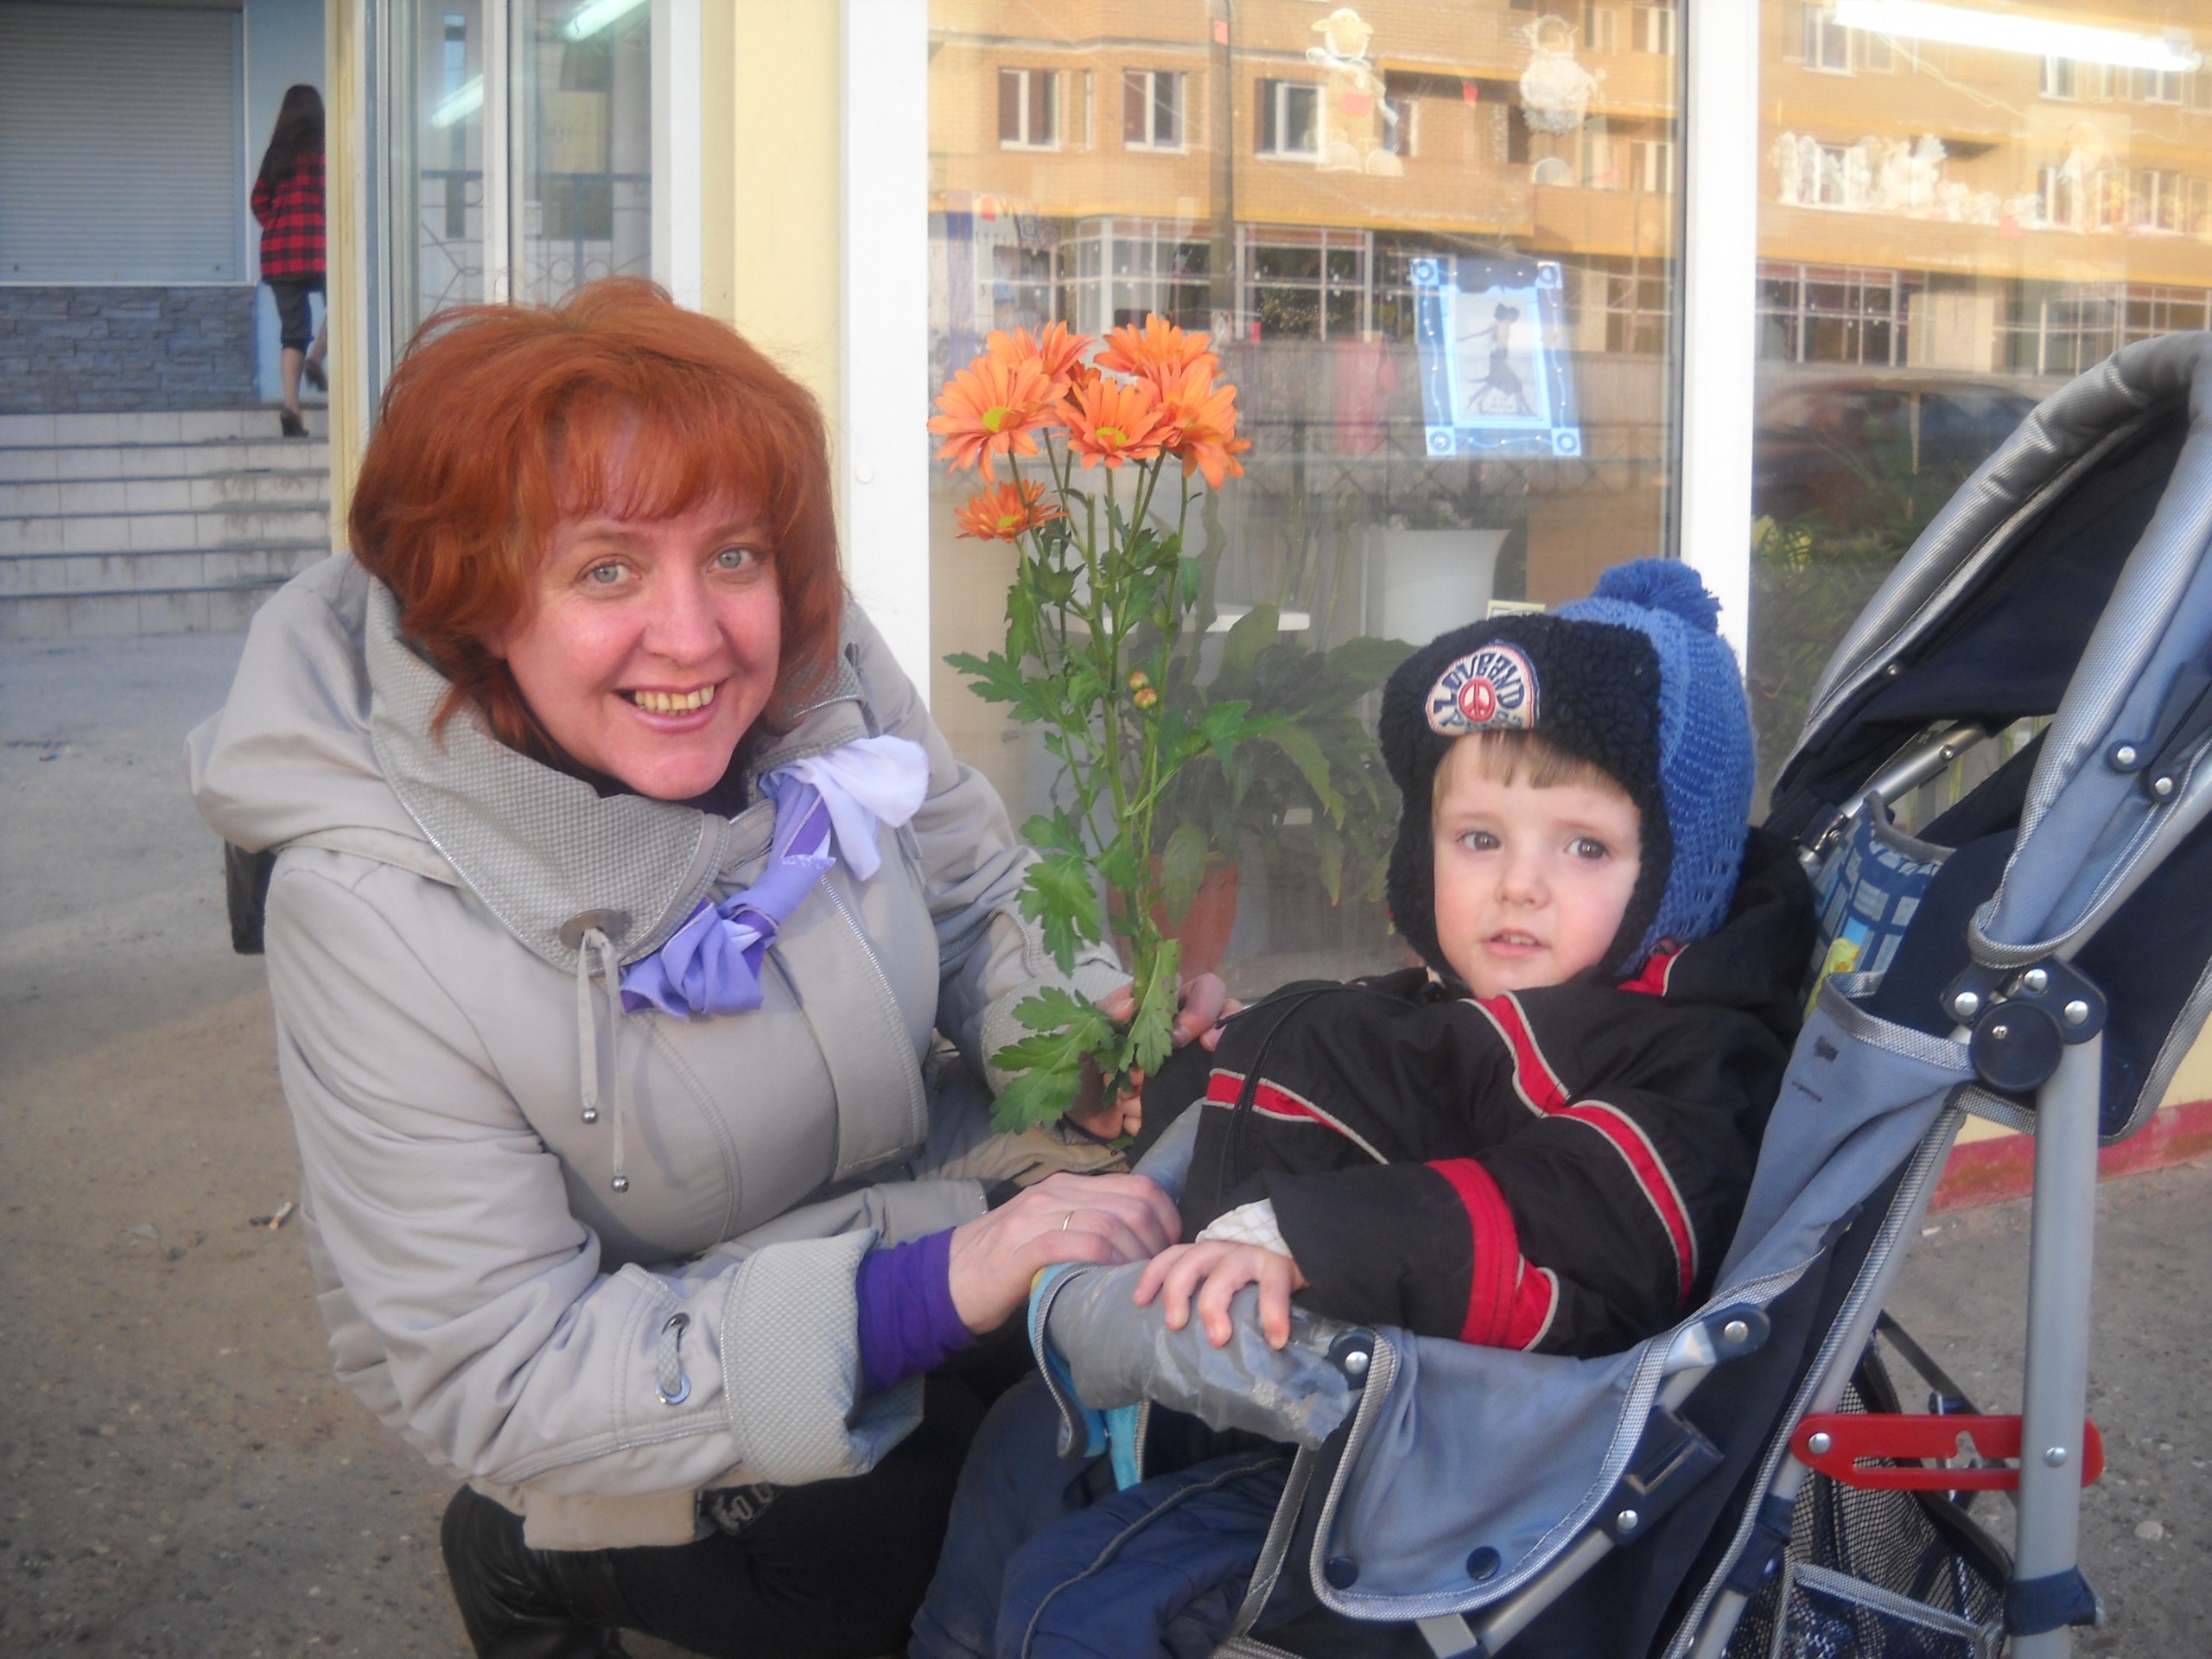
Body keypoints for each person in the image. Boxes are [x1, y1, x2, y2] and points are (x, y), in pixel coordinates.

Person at [188, 278, 1222, 1659]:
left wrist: (1085, 1035)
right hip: (615, 1383)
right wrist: (919, 1296)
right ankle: (522, 1563)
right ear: (476, 598)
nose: (694, 638)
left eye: (732, 555)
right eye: (607, 570)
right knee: (880, 1541)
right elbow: (503, 1366)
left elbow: (975, 894)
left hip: (901, 1220)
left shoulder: (816, 668)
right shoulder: (369, 910)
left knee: (1109, 1418)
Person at [911, 561, 1816, 1659]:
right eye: (1478, 839)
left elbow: (1587, 1218)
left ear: (1677, 874)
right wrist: (1226, 1063)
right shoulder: (1490, 1008)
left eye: (1584, 846)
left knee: (1081, 1601)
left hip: (1444, 1473)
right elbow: (1389, 1083)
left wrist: (1312, 1236)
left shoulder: (1681, 1059)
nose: (1518, 884)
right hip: (1315, 1401)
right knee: (1018, 1446)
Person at [251, 84, 328, 438]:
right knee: (345, 307)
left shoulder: (276, 154)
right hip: (320, 247)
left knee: (293, 332)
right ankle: (317, 357)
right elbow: (337, 196)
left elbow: (258, 201)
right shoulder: (325, 151)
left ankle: (291, 408)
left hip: (280, 254)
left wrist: (277, 224)